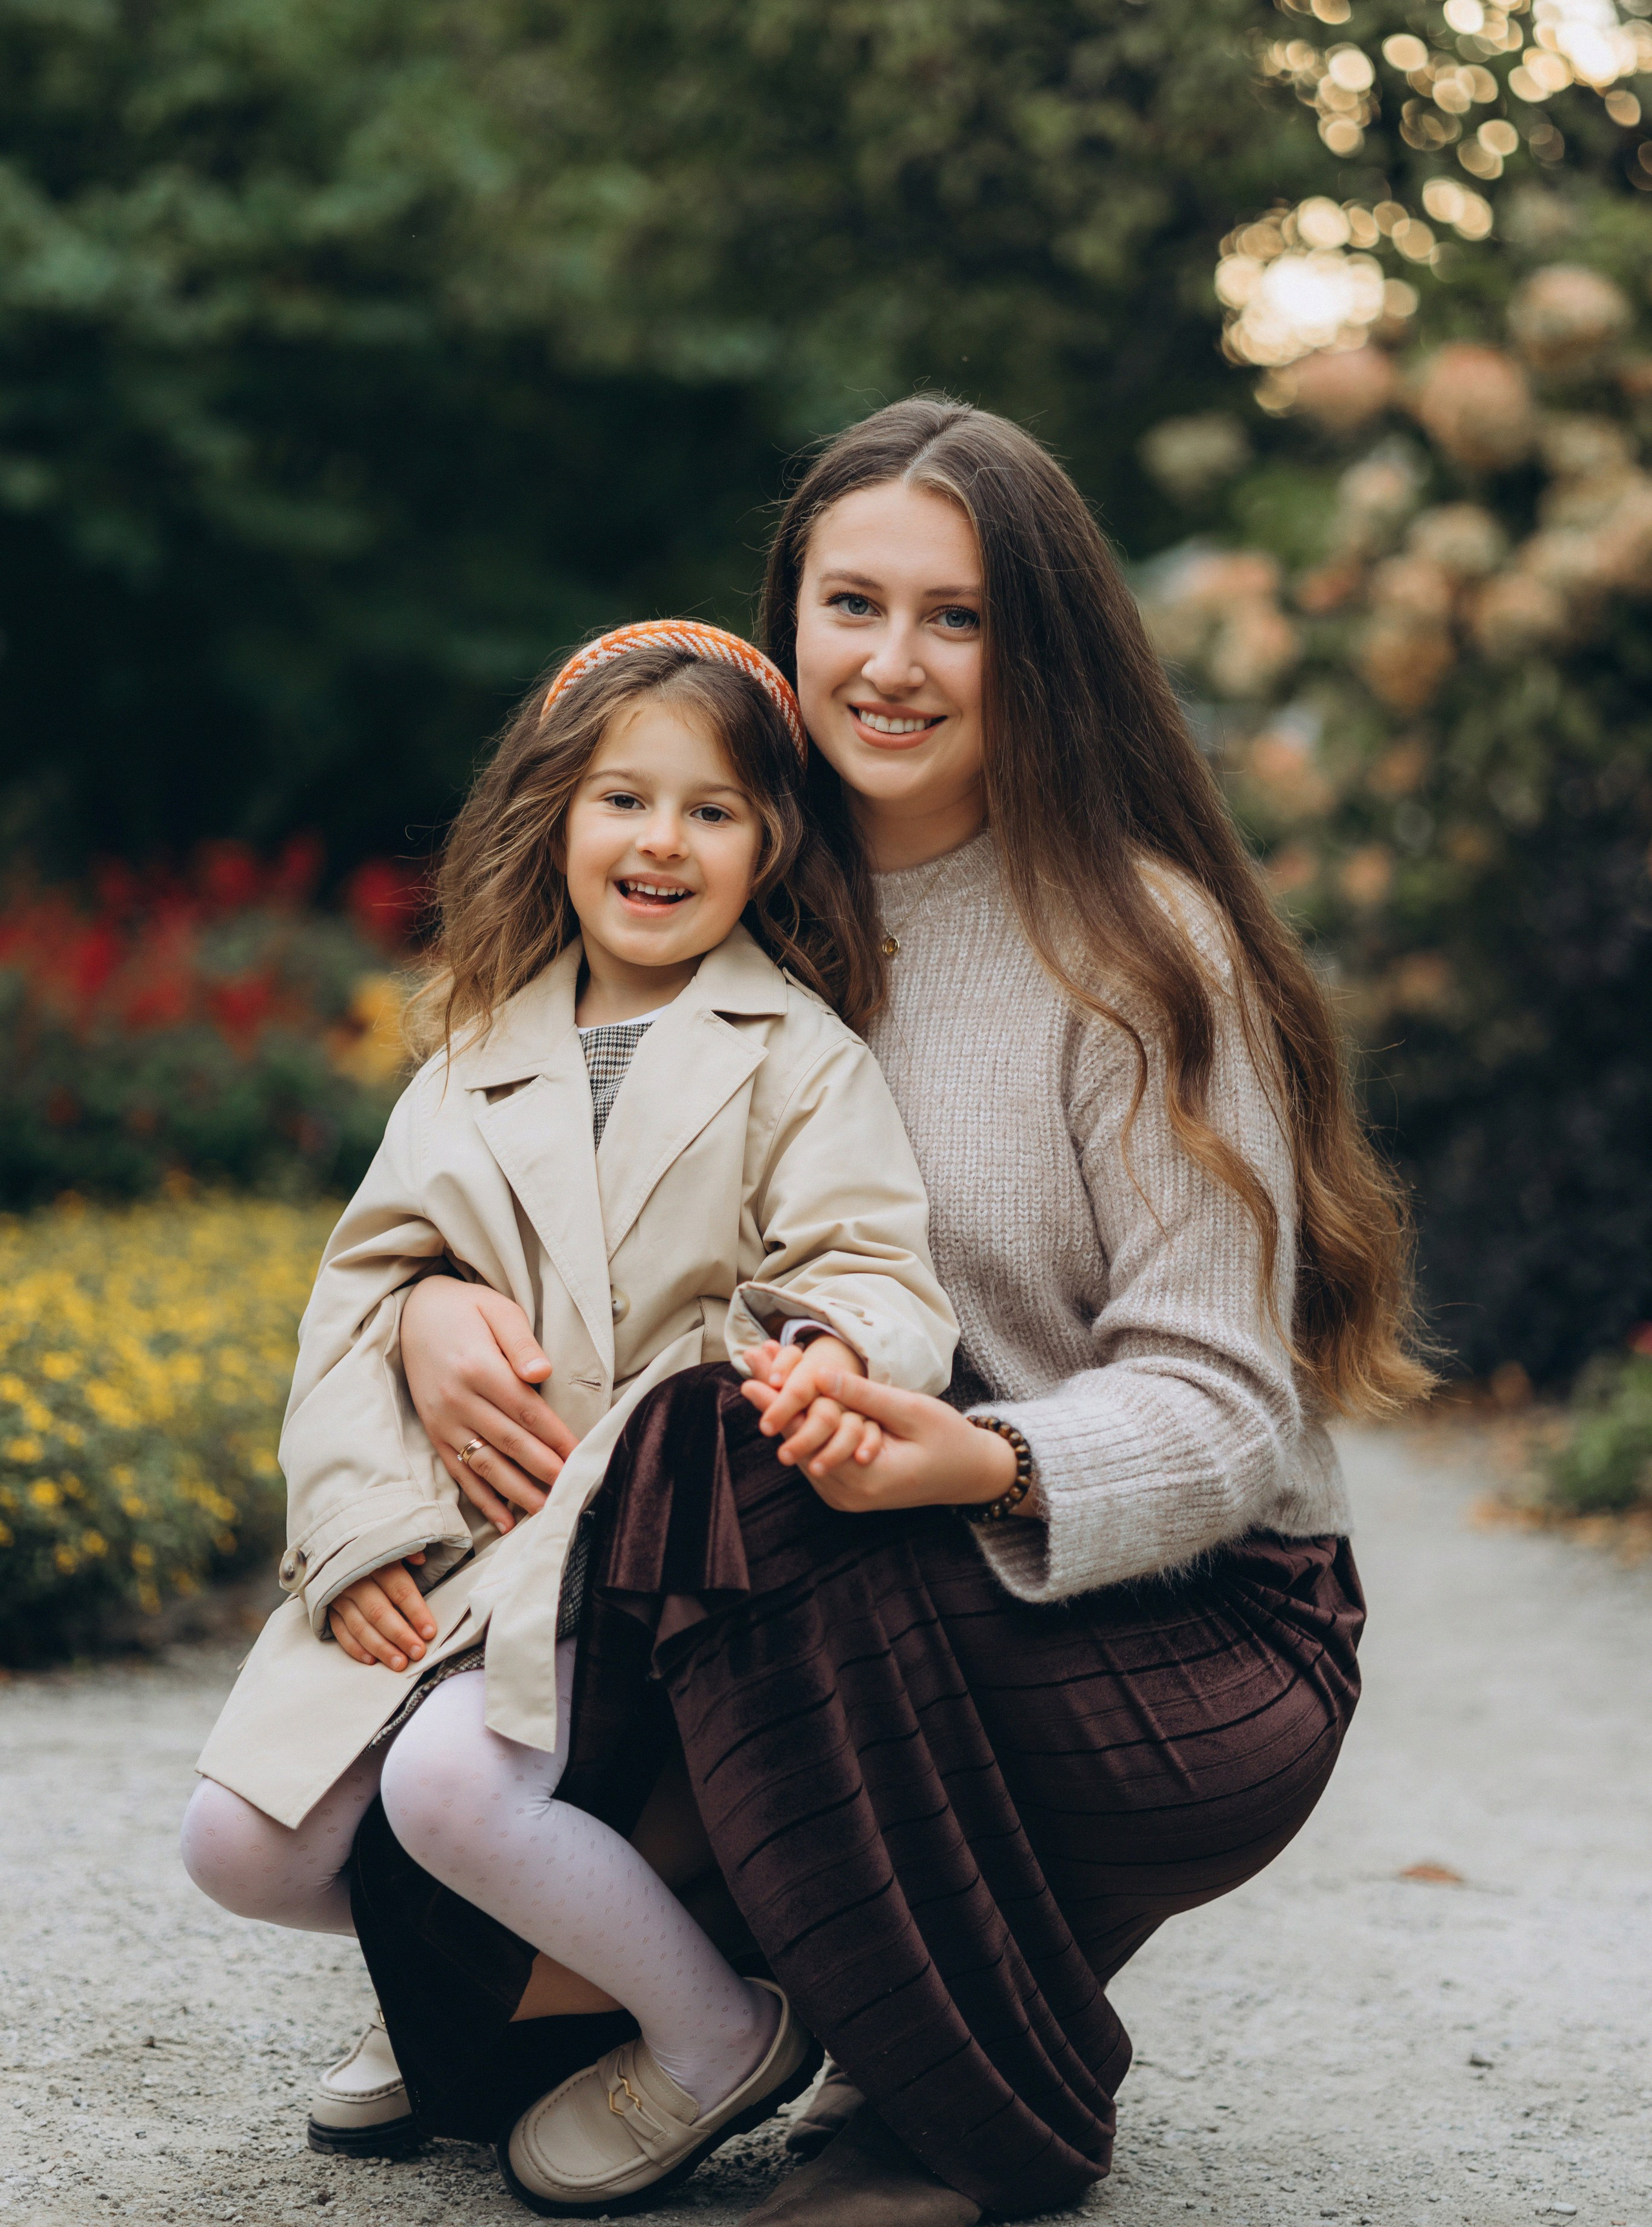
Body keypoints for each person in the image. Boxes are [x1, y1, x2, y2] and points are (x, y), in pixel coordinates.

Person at [322, 398, 1429, 2225]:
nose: (892, 664)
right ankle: (745, 2001)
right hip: (822, 1560)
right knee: (480, 1987)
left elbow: (1231, 1407)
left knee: (723, 1459)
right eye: (852, 604)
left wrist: (984, 1459)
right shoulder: (729, 875)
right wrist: (437, 1299)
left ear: (1039, 649)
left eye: (957, 617)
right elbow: (506, 1143)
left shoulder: (1139, 947)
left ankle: (966, 2113)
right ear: (791, 622)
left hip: (1178, 1629)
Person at [178, 621, 962, 2212]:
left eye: (712, 810)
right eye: (622, 797)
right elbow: (362, 1299)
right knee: (238, 1845)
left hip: (639, 1556)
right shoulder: (470, 1053)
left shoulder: (799, 1062)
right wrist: (355, 1531)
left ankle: (711, 2028)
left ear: (767, 846)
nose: (660, 841)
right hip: (456, 1537)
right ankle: (455, 1977)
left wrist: (830, 1353)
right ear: (555, 814)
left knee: (451, 1790)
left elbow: (876, 1273)